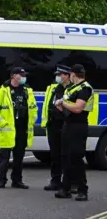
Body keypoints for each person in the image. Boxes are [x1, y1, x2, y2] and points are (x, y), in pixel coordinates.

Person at [0, 67, 38, 189]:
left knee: (19, 157)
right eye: (21, 75)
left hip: (22, 128)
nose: (23, 77)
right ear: (13, 76)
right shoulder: (2, 90)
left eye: (24, 75)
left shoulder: (27, 90)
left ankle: (17, 180)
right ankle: (1, 180)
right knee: (4, 158)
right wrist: (2, 123)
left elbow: (33, 107)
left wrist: (32, 120)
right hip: (8, 129)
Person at [54, 64, 92, 201]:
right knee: (66, 157)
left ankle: (83, 189)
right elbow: (66, 107)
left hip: (78, 125)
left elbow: (77, 108)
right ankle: (66, 188)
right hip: (68, 124)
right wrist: (59, 104)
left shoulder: (85, 88)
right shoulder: (71, 88)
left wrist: (63, 103)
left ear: (73, 74)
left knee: (76, 157)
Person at [41, 64, 72, 191]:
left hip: (65, 125)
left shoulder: (72, 89)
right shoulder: (55, 88)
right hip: (53, 124)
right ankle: (55, 181)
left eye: (60, 75)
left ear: (67, 76)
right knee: (54, 155)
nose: (58, 77)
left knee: (67, 155)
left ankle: (69, 182)